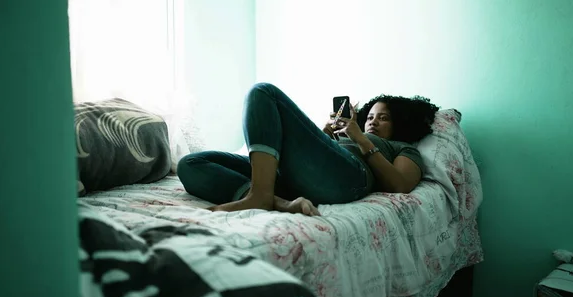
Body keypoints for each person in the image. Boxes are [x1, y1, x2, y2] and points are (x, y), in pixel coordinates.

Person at [177, 83, 439, 216]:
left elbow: (401, 184)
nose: (373, 121)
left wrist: (362, 140)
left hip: (348, 177)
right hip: (293, 180)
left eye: (384, 118)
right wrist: (325, 135)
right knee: (191, 164)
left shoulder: (402, 148)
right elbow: (309, 157)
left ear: (402, 124)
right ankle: (275, 201)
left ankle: (259, 195)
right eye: (369, 116)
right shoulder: (347, 136)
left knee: (263, 92)